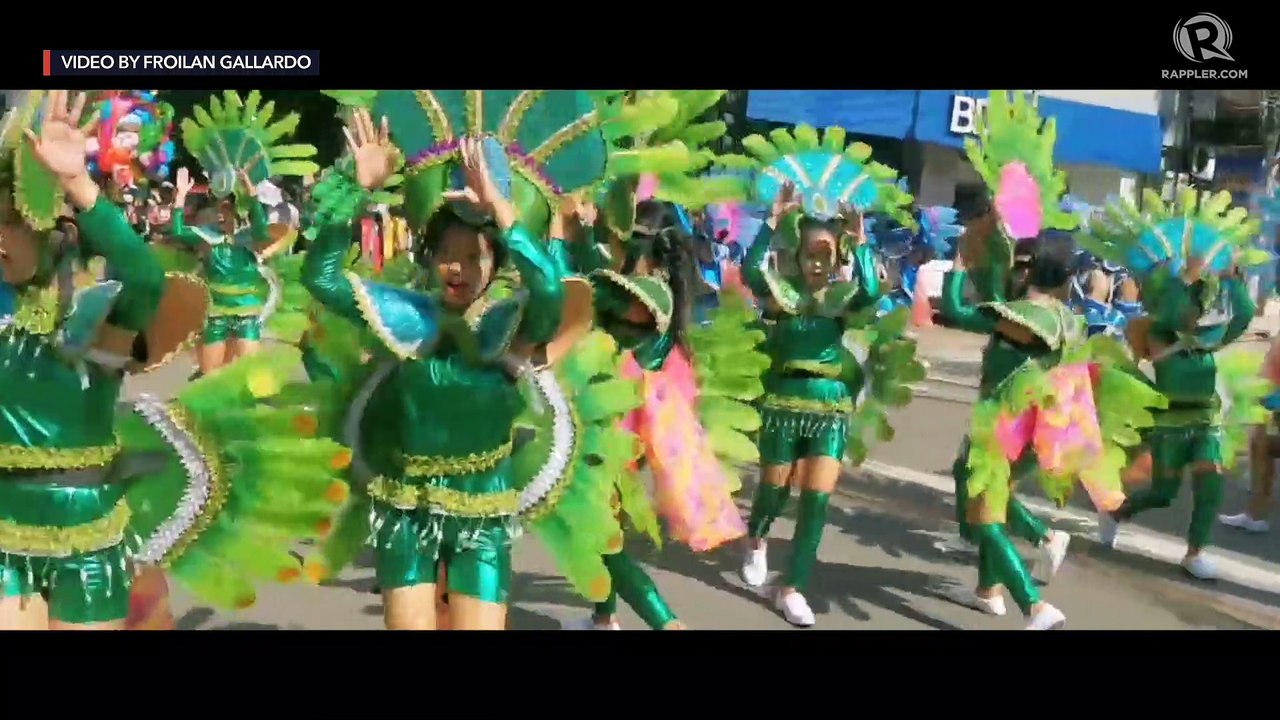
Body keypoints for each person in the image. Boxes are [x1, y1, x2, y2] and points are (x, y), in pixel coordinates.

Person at [168, 166, 292, 374]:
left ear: (237, 211)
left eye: (225, 208)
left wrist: (251, 194)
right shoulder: (207, 237)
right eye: (218, 208)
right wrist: (180, 196)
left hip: (246, 314)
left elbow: (261, 229)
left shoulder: (250, 238)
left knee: (248, 373)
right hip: (216, 315)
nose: (219, 214)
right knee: (211, 376)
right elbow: (178, 232)